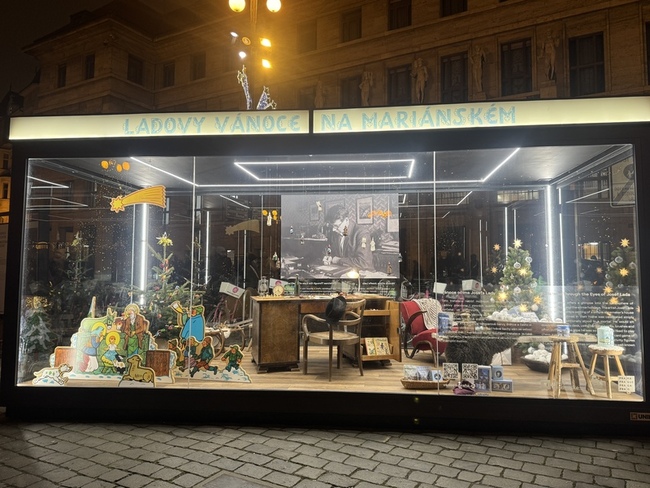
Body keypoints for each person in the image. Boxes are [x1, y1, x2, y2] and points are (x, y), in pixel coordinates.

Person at [324, 204, 375, 273]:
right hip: (344, 271)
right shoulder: (335, 232)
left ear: (346, 220)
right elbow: (330, 250)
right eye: (332, 226)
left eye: (336, 226)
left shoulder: (362, 233)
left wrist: (338, 260)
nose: (333, 229)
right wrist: (328, 256)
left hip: (363, 273)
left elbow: (363, 262)